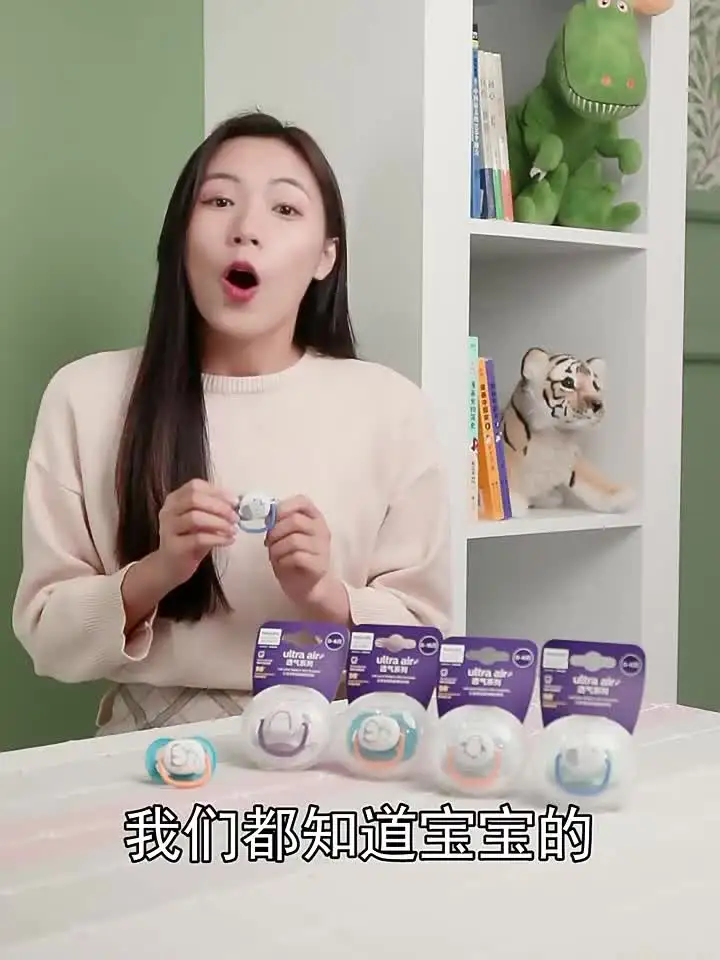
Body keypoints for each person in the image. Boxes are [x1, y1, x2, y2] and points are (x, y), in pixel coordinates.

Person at [12, 111, 453, 736]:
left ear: (325, 257)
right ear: (180, 236)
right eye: (219, 201)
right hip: (143, 756)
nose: (246, 229)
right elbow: (47, 637)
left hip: (334, 748)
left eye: (285, 209)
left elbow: (426, 649)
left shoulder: (391, 407)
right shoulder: (84, 396)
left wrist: (324, 593)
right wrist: (158, 570)